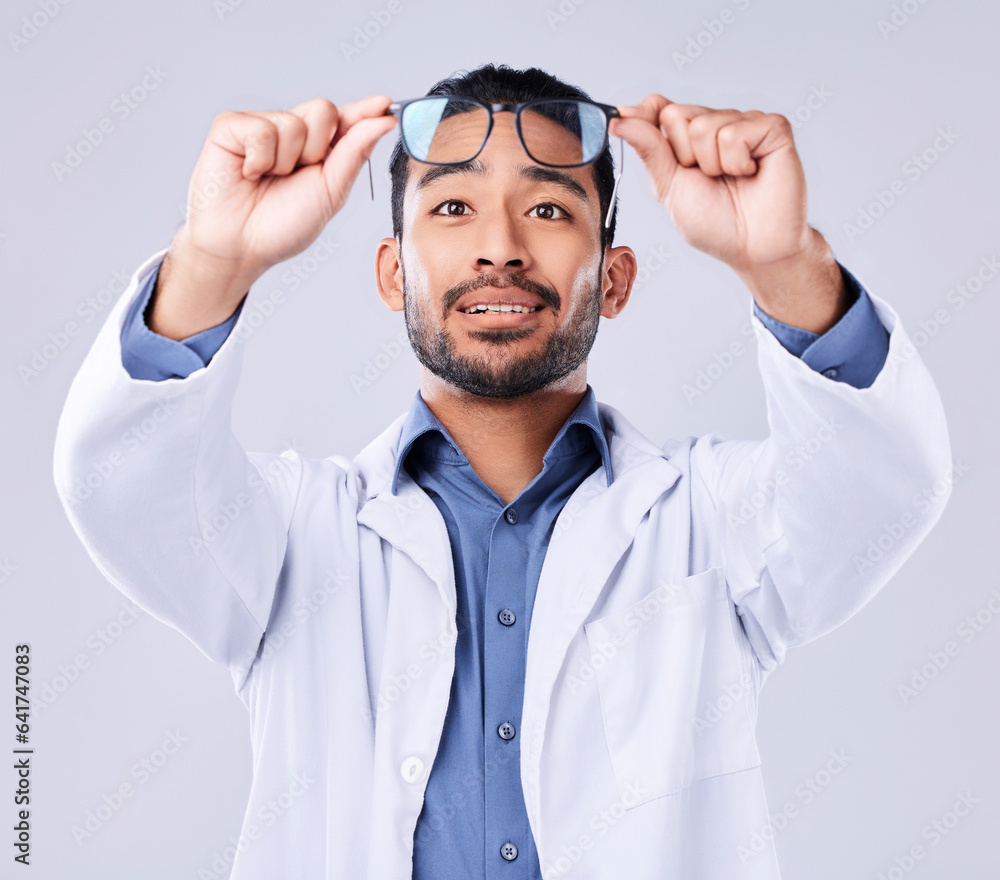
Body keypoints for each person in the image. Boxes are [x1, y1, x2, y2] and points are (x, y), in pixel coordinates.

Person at [53, 63, 952, 879]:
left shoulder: (708, 523)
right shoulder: (295, 538)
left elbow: (881, 483)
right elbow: (128, 482)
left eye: (551, 209)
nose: (501, 248)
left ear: (617, 280)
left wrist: (784, 264)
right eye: (451, 209)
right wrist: (213, 262)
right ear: (390, 275)